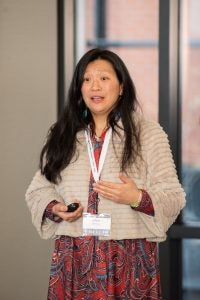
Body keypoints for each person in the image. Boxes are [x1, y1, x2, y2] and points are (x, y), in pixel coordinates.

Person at [25, 48, 185, 300]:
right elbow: (38, 190)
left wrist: (136, 197)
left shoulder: (149, 134)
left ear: (121, 87)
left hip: (129, 259)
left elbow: (174, 197)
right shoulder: (64, 134)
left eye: (103, 78)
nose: (94, 86)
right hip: (73, 257)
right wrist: (55, 207)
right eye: (86, 79)